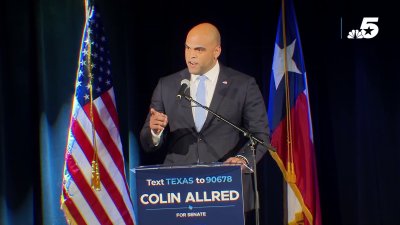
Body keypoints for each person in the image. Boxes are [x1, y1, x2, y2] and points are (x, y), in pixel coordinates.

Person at [140, 22, 270, 224]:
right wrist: (154, 132)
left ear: (216, 51)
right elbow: (148, 141)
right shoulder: (167, 85)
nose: (190, 55)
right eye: (187, 48)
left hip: (226, 191)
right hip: (178, 194)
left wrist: (243, 160)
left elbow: (260, 135)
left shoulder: (242, 85)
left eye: (199, 50)